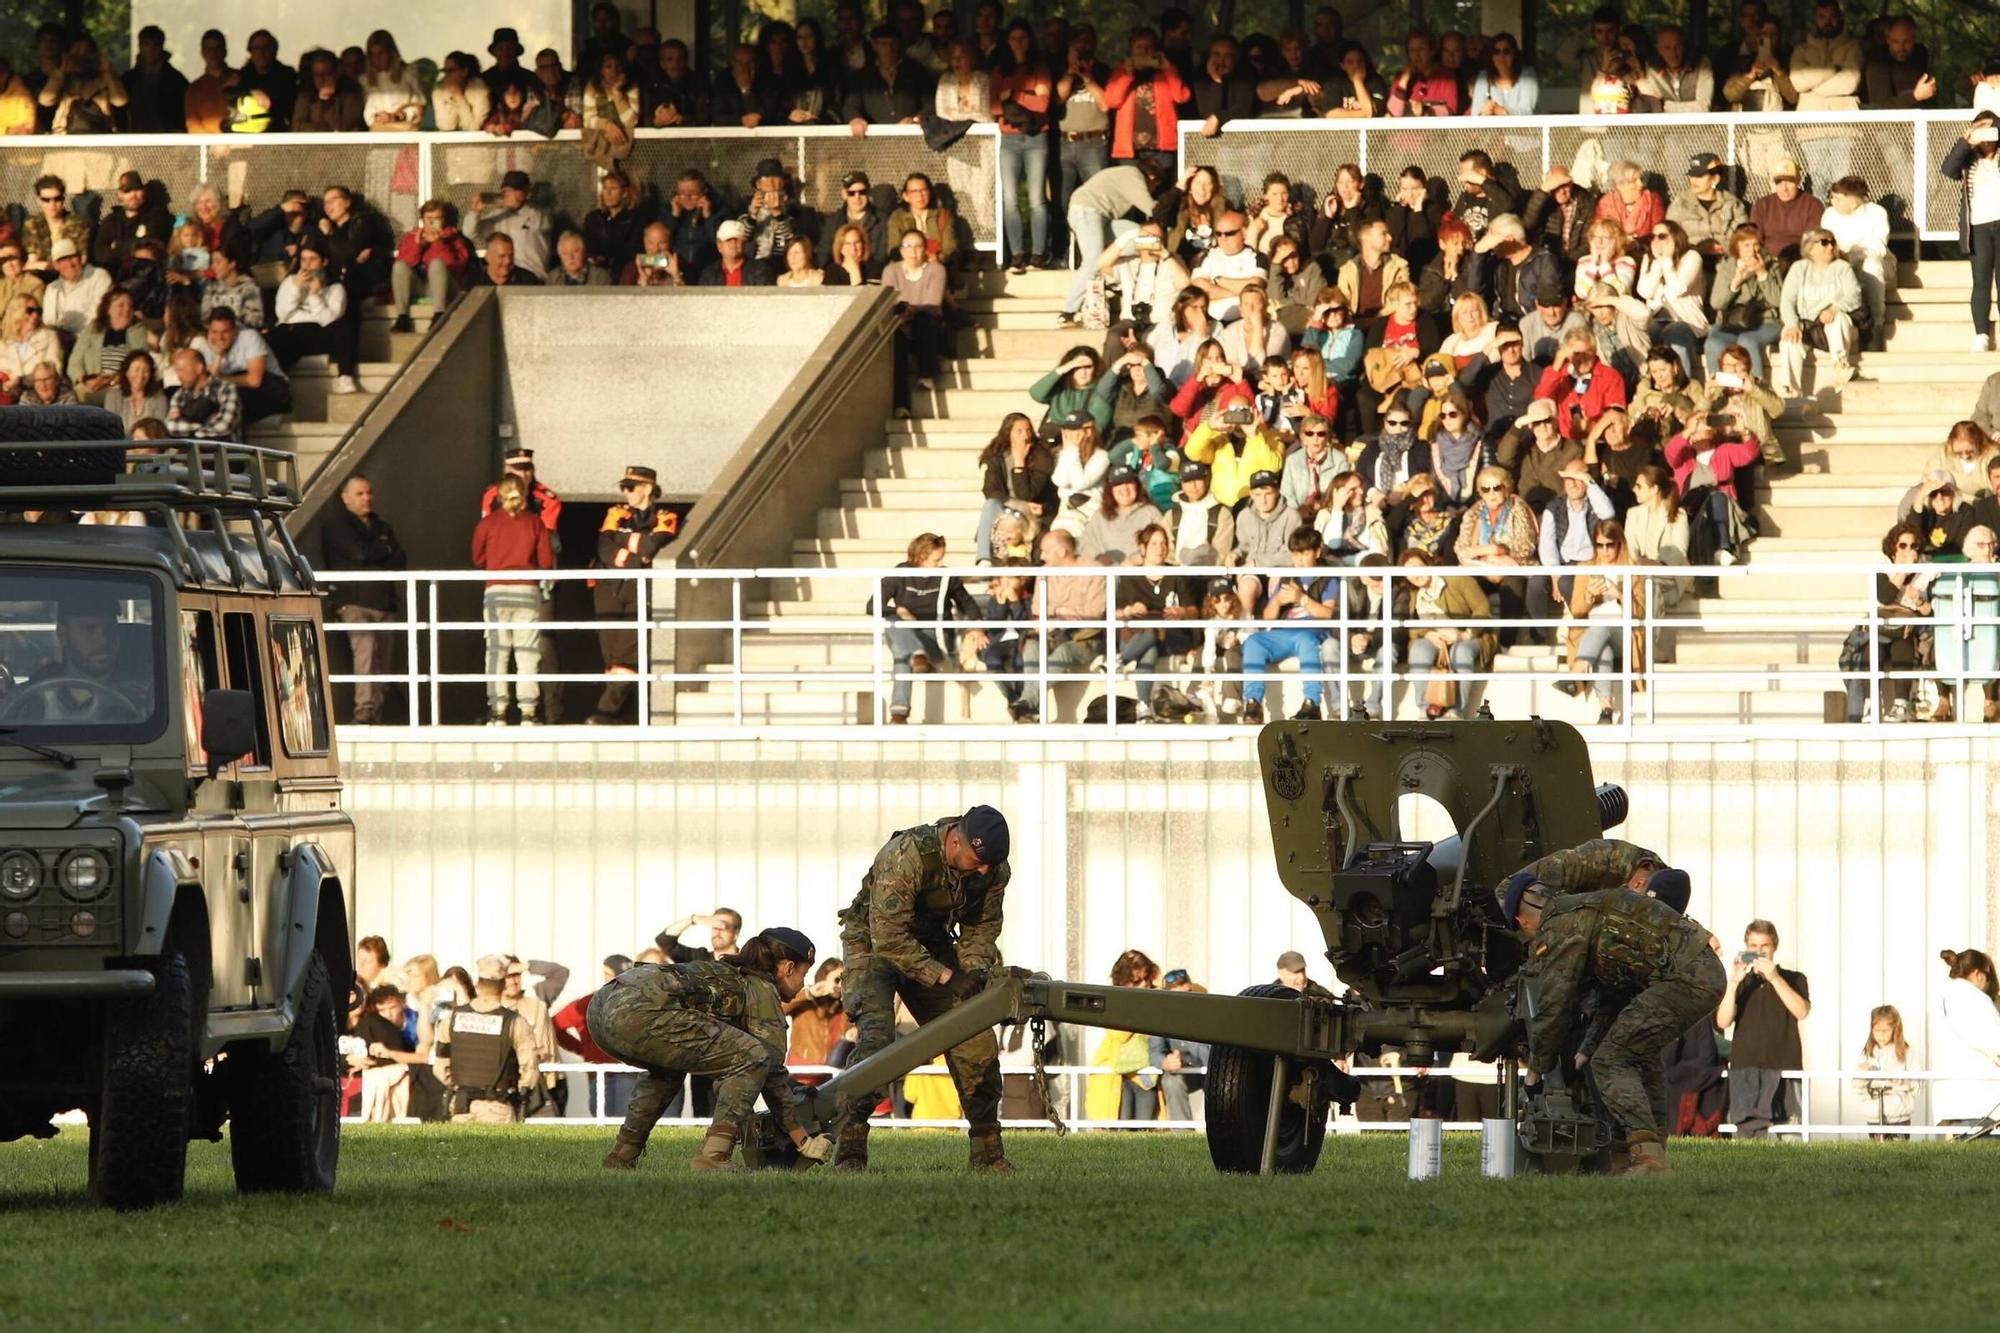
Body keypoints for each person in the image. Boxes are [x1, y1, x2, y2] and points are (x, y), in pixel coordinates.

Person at [1501, 869, 1725, 1175]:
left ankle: (1649, 1159)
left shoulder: (1560, 925)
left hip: (1685, 979)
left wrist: (1536, 1069)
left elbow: (1554, 1004)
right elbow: (1615, 991)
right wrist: (1588, 1046)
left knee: (1611, 1059)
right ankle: (1640, 1156)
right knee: (1637, 1054)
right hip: (1700, 973)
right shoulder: (1582, 911)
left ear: (1521, 920)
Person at [834, 807, 1014, 1172]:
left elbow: (982, 927)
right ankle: (851, 1147)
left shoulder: (993, 869)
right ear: (955, 840)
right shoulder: (906, 855)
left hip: (931, 946)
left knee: (974, 1038)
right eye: (976, 861)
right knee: (876, 1042)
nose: (982, 871)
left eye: (988, 865)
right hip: (872, 946)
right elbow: (887, 938)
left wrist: (975, 972)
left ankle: (988, 1153)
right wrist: (947, 977)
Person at [589, 928, 827, 1171]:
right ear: (787, 968)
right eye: (803, 973)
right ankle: (713, 1157)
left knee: (669, 1068)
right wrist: (802, 1139)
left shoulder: (727, 973)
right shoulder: (762, 989)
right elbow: (771, 1071)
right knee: (753, 1056)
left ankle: (622, 1156)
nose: (803, 983)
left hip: (601, 1007)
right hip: (639, 1011)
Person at [589, 465, 677, 725]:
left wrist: (623, 543)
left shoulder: (666, 516)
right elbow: (604, 546)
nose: (625, 492)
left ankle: (605, 711)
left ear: (647, 489)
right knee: (610, 655)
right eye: (623, 487)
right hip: (608, 589)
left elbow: (654, 544)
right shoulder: (615, 513)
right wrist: (635, 555)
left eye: (631, 487)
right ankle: (624, 714)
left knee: (626, 654)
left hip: (639, 589)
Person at [1714, 918, 1811, 1139]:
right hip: (1745, 1070)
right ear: (1746, 948)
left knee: (1790, 1136)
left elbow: (1802, 1011)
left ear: (1774, 946)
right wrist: (1733, 982)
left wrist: (1774, 978)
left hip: (1785, 1067)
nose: (1759, 952)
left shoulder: (1794, 978)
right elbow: (1722, 1021)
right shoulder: (1741, 983)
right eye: (1753, 947)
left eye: (1764, 946)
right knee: (1747, 1139)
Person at [470, 475, 554, 726]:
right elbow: (546, 561)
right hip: (526, 591)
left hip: (496, 591)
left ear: (498, 496)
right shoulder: (535, 523)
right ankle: (528, 712)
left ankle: (498, 711)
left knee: (497, 652)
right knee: (527, 654)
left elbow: (477, 558)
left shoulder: (487, 525)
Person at [879, 533, 987, 723]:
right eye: (936, 560)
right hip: (907, 633)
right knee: (896, 625)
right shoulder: (900, 573)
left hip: (936, 639)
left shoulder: (946, 576)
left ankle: (899, 713)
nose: (940, 564)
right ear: (921, 557)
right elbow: (872, 606)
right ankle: (901, 709)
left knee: (901, 651)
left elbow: (967, 603)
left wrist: (978, 627)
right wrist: (899, 609)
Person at [434, 975, 541, 1124]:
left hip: (460, 1106)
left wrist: (457, 1085)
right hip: (498, 1108)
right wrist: (522, 1091)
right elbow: (530, 1068)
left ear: (477, 984)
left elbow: (440, 1066)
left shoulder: (452, 1018)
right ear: (503, 985)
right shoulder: (514, 1023)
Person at [1934, 948, 2000, 1126]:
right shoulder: (1974, 999)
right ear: (1979, 974)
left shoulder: (1944, 996)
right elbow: (1995, 1043)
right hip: (1978, 1103)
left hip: (1952, 1102)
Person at [390, 200, 471, 334]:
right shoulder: (411, 238)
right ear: (423, 219)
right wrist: (418, 246)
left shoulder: (454, 238)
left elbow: (454, 266)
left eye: (437, 218)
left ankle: (439, 314)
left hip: (444, 287)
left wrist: (438, 243)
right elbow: (402, 267)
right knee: (399, 266)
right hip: (420, 286)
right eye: (429, 219)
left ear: (444, 219)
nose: (433, 222)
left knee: (437, 264)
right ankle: (402, 316)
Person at [472, 170, 552, 281]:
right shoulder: (497, 216)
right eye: (507, 190)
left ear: (526, 191)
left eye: (515, 190)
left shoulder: (538, 214)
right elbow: (470, 232)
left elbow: (544, 224)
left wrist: (518, 206)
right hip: (506, 276)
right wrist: (475, 212)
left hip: (534, 279)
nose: (510, 194)